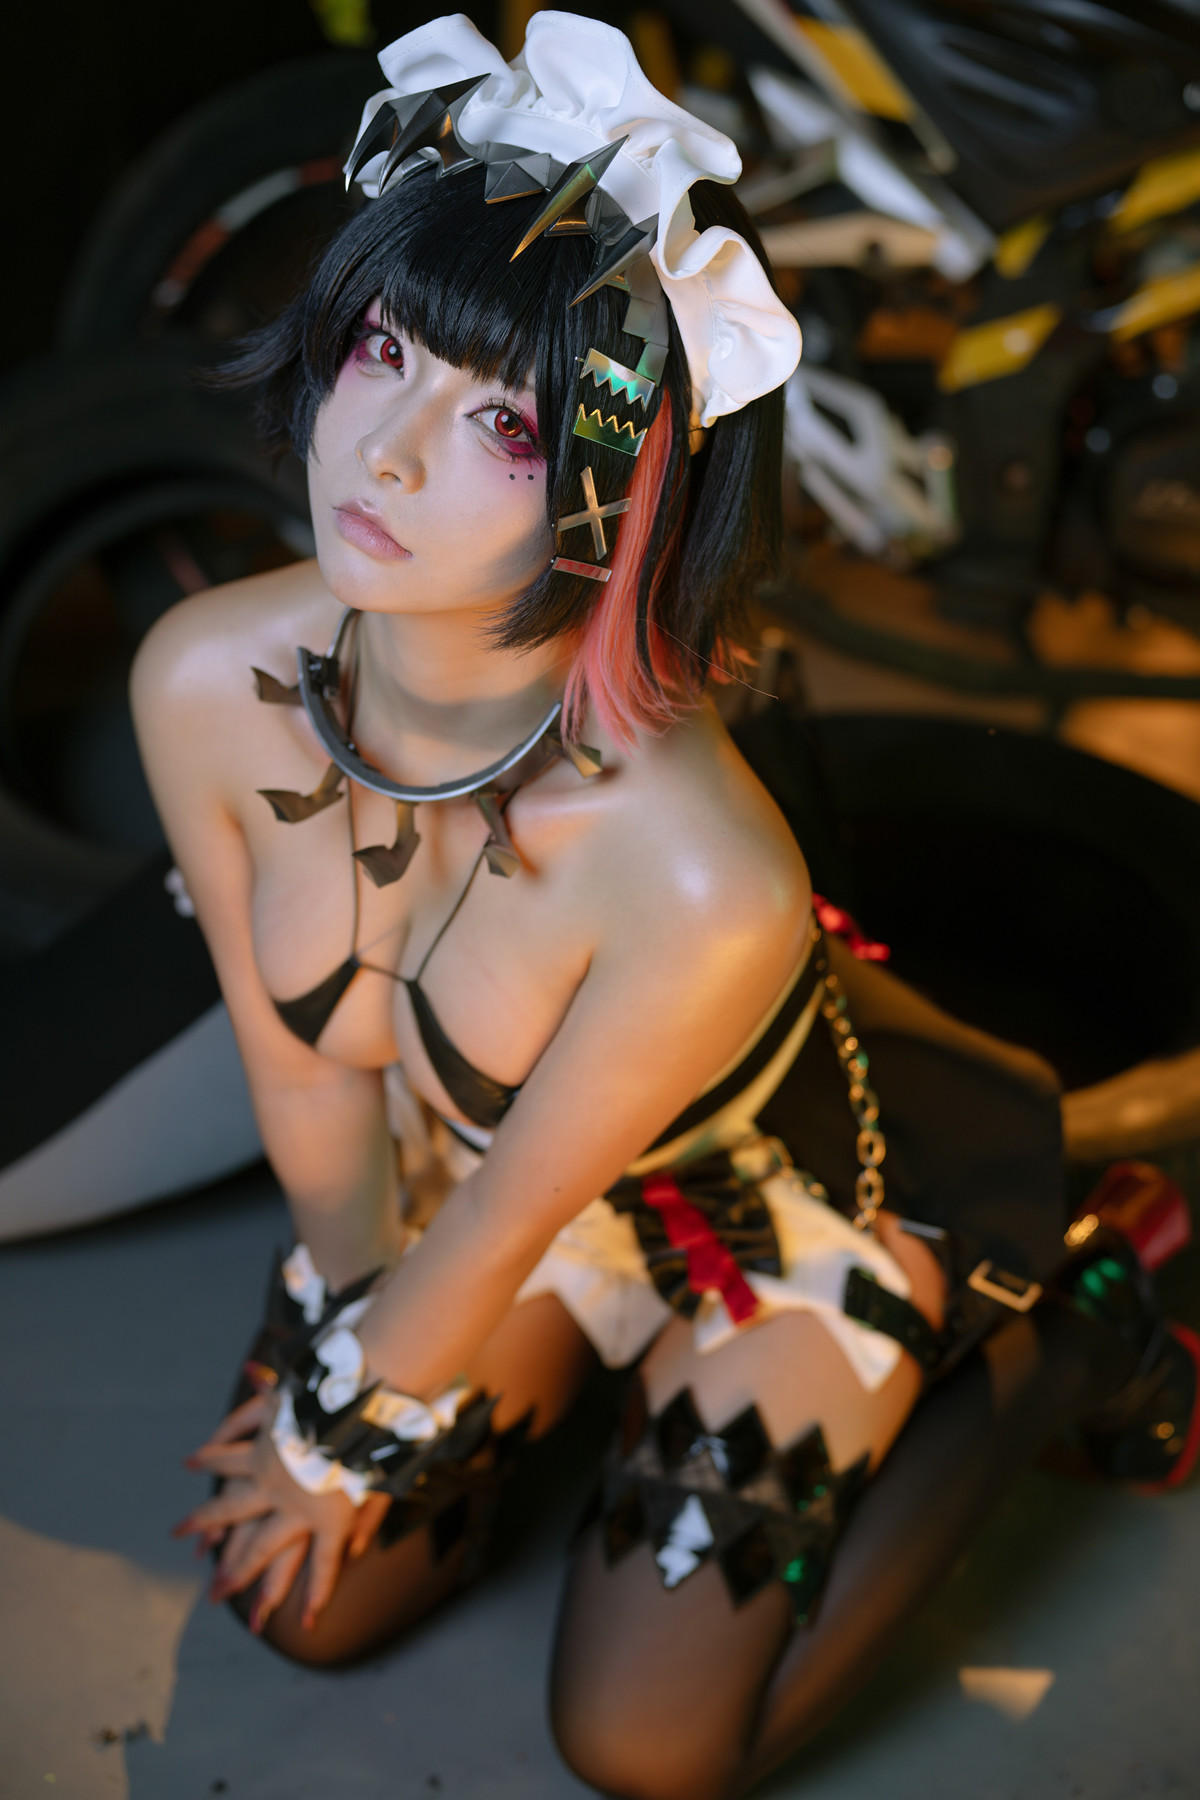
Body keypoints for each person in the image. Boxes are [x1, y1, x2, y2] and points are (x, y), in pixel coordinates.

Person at [131, 14, 1197, 1797]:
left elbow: (508, 1220)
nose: (381, 452)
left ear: (612, 497)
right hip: (489, 1195)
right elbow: (300, 1063)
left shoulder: (697, 869)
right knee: (299, 1607)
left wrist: (339, 1425)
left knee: (643, 1745)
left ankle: (1068, 1323)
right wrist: (342, 1305)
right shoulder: (200, 681)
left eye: (500, 423)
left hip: (763, 1219)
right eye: (382, 348)